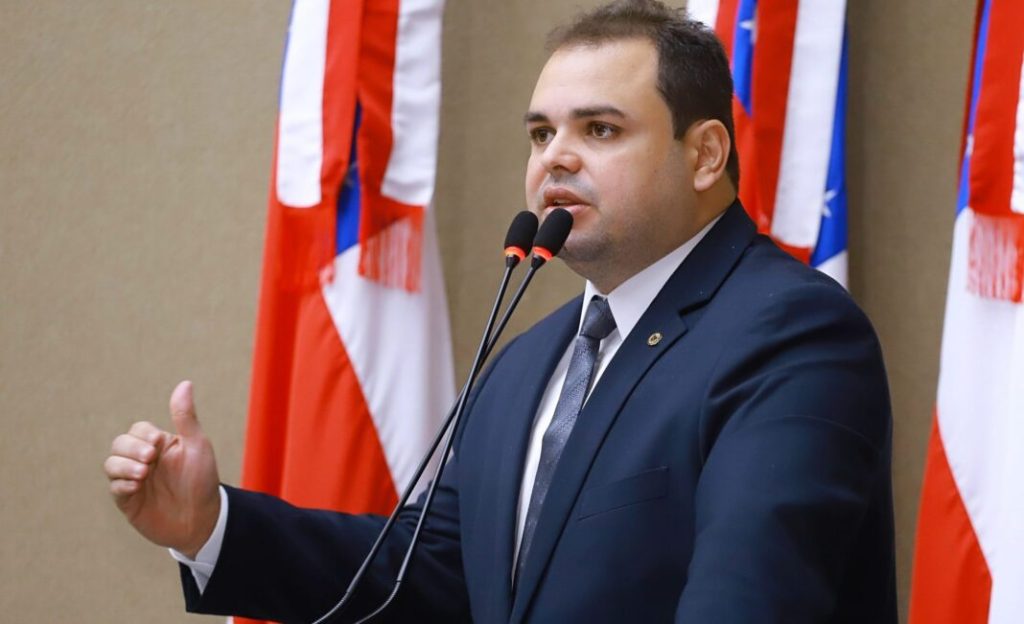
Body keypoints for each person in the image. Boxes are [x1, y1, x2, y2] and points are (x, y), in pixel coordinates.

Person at [104, 1, 897, 622]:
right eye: (542, 133)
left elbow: (752, 599)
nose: (555, 157)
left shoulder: (789, 335)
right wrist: (211, 526)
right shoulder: (527, 364)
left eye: (600, 129)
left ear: (705, 154)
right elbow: (428, 575)